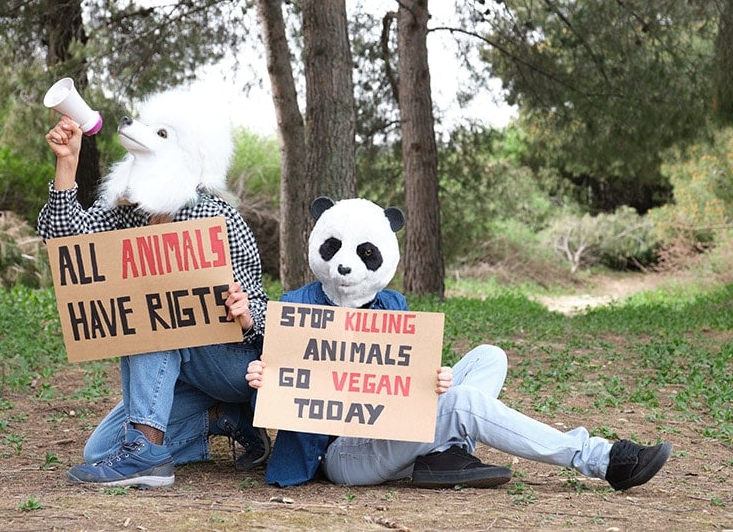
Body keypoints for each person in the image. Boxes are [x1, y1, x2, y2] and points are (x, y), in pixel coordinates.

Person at [245, 196, 672, 490]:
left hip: (394, 429)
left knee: (489, 357)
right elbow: (284, 383)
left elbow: (402, 379)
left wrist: (435, 378)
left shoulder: (392, 303)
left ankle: (442, 455)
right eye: (335, 247)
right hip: (341, 453)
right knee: (464, 404)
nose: (346, 263)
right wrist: (262, 375)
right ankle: (600, 458)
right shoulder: (297, 304)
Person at [39, 113, 270, 488]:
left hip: (230, 364)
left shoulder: (217, 215)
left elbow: (260, 305)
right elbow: (67, 247)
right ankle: (221, 418)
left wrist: (245, 314)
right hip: (181, 375)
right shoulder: (126, 212)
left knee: (153, 313)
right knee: (99, 451)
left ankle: (147, 451)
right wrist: (67, 163)